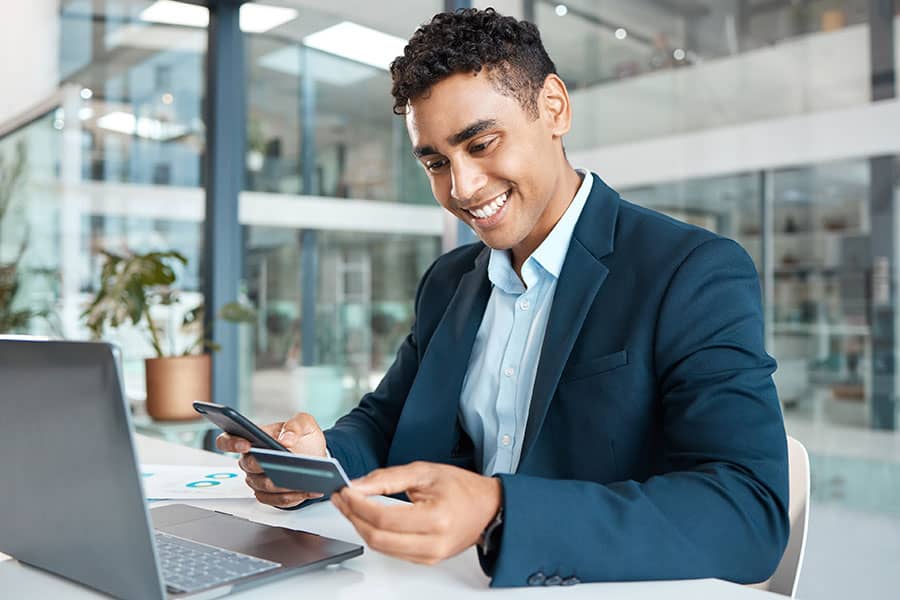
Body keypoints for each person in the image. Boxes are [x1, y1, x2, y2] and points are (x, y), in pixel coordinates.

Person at [218, 8, 789, 588]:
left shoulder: (689, 272)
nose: (461, 188)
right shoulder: (449, 282)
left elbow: (747, 512)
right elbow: (387, 422)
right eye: (436, 163)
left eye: (482, 143)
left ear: (554, 108)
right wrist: (318, 464)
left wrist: (498, 510)